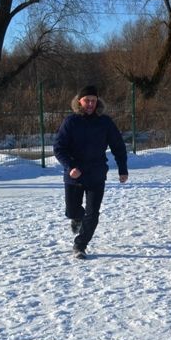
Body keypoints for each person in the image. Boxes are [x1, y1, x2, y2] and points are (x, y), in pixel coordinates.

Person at [53, 85, 128, 259]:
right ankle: (76, 218)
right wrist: (70, 166)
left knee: (93, 213)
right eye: (87, 100)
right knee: (72, 210)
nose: (90, 104)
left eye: (93, 101)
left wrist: (122, 169)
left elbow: (118, 146)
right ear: (79, 101)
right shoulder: (71, 122)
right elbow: (59, 147)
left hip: (96, 173)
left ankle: (80, 245)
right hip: (74, 175)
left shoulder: (105, 122)